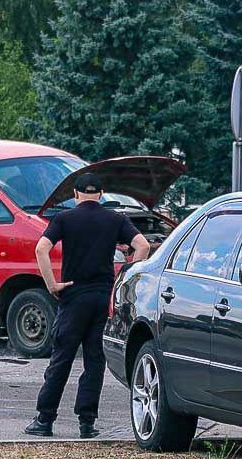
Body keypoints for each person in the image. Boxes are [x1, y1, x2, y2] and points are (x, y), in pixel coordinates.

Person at [25, 172, 150, 438]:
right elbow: (142, 245)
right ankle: (87, 423)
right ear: (101, 194)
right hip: (102, 298)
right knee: (95, 361)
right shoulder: (116, 219)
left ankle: (44, 420)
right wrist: (124, 277)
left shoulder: (64, 219)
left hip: (73, 296)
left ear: (76, 195)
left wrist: (51, 285)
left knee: (61, 358)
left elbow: (41, 249)